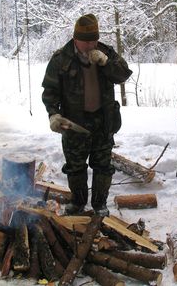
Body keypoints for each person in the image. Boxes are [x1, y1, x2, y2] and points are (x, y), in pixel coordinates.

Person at [41, 13, 132, 216]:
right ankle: (78, 203)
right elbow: (50, 92)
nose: (91, 45)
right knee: (75, 166)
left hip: (103, 120)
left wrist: (106, 63)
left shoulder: (105, 53)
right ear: (75, 39)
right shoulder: (61, 59)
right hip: (74, 122)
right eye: (86, 42)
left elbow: (124, 74)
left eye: (94, 40)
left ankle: (100, 205)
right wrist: (53, 114)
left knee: (103, 166)